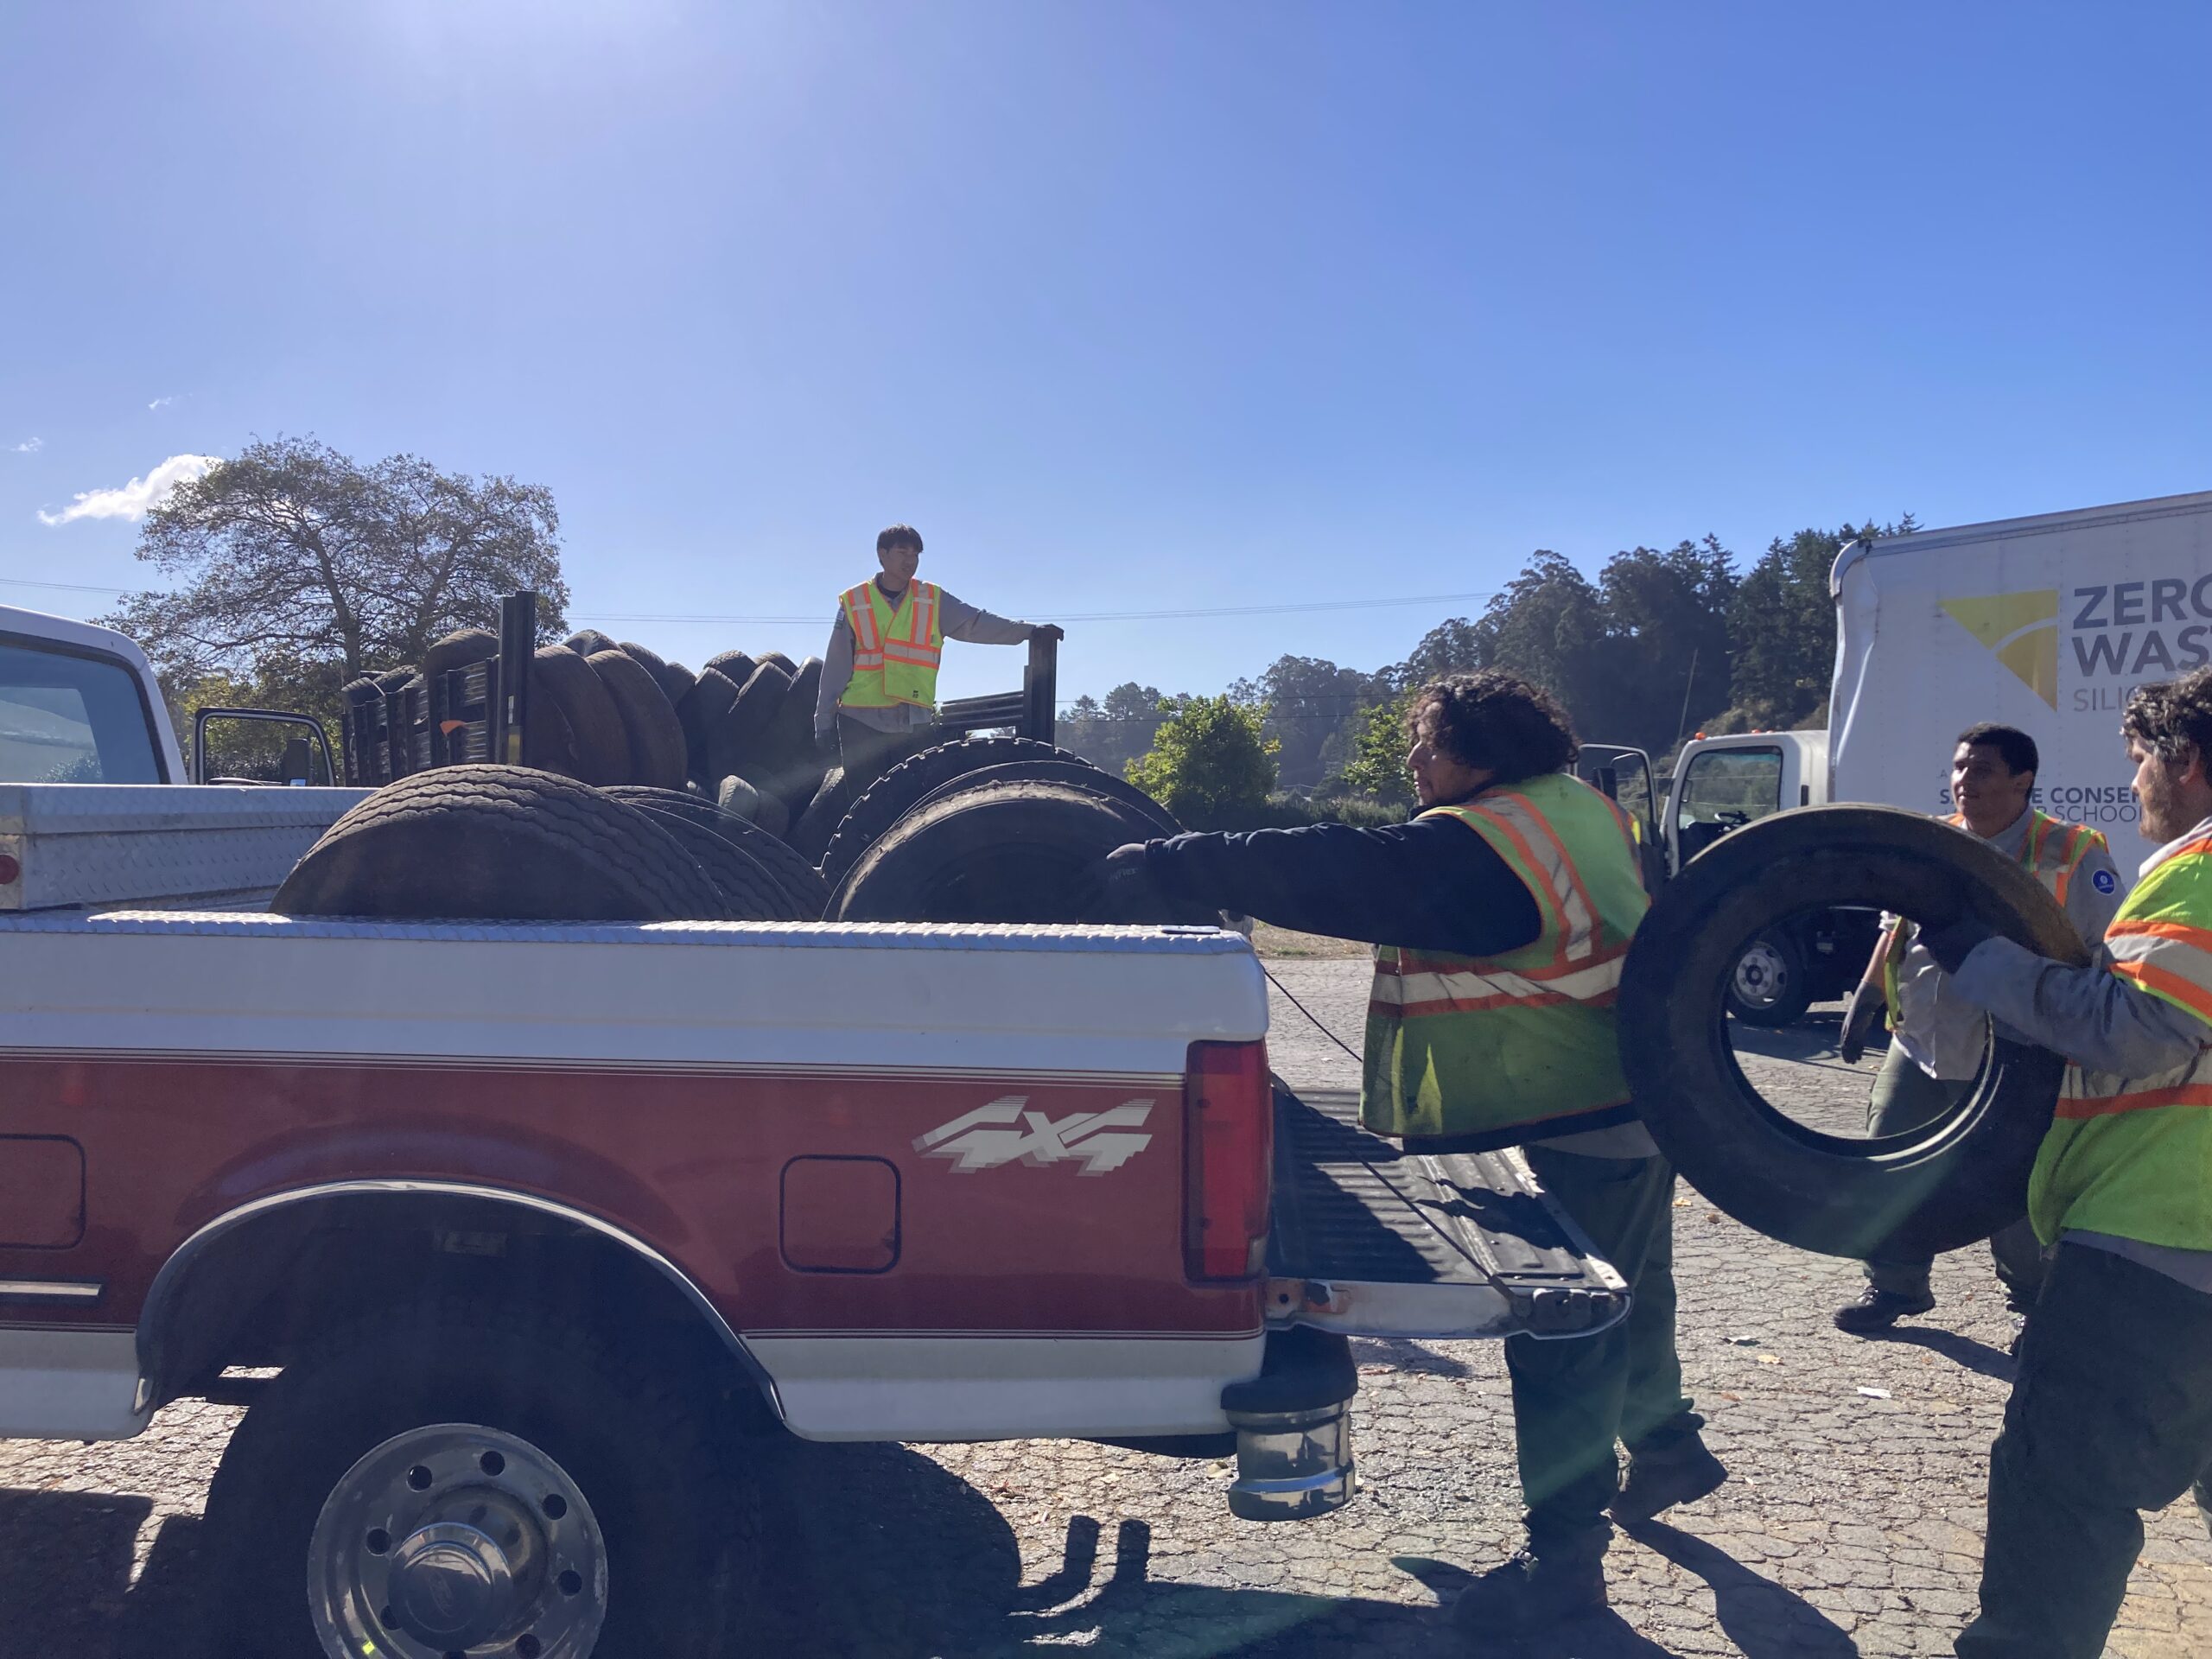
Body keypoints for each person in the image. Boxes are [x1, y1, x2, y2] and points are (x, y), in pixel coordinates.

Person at [1090, 670, 1724, 1636]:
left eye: (1424, 743)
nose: (1412, 762)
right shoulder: (1577, 807)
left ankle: (1563, 1567)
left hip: (1575, 1110)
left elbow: (1343, 867)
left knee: (1562, 1336)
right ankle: (1668, 1443)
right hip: (1628, 1096)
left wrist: (1182, 863)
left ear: (1476, 752)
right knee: (1628, 1290)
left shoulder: (1488, 840)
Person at [1908, 669, 2212, 1658]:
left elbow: (2142, 1028)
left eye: (2138, 765)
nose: (2134, 788)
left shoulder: (2201, 866)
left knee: (2063, 1487)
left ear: (2187, 763)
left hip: (2160, 1237)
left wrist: (1985, 963)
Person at [1832, 724, 2121, 1333]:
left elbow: (2103, 951)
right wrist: (1865, 996)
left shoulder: (2071, 850)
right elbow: (1897, 927)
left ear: (2023, 781)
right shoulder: (1934, 840)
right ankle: (1896, 1285)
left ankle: (2034, 1308)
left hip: (2015, 1053)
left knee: (2011, 1190)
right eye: (1960, 768)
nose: (1965, 782)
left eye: (1983, 771)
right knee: (1887, 1159)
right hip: (1922, 1043)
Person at [812, 524, 1064, 787]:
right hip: (861, 721)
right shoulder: (855, 601)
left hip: (913, 722)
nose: (910, 561)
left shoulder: (931, 599)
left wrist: (1029, 631)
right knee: (866, 810)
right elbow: (836, 667)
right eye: (902, 552)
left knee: (915, 805)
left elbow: (975, 623)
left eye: (916, 554)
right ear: (882, 555)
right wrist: (824, 723)